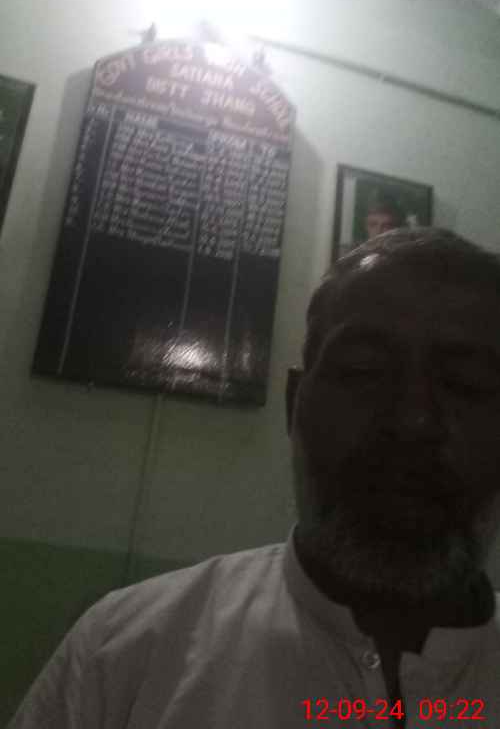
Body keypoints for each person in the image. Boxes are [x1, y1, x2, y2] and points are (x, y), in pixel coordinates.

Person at [9, 227, 500, 728]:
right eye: (363, 370)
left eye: (468, 384)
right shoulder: (120, 651)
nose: (414, 420)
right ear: (293, 405)